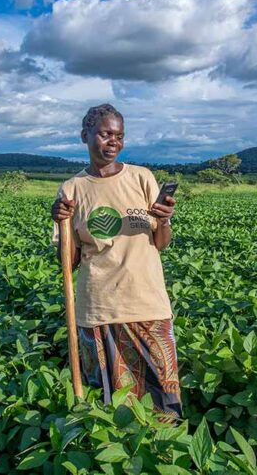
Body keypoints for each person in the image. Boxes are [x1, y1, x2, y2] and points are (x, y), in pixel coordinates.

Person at [51, 103, 181, 419]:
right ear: (86, 136)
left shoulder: (142, 178)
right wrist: (61, 222)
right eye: (105, 134)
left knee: (163, 399)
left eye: (119, 136)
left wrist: (164, 221)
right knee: (108, 400)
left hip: (147, 301)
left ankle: (162, 457)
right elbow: (70, 262)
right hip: (99, 306)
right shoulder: (72, 189)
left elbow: (160, 244)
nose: (114, 142)